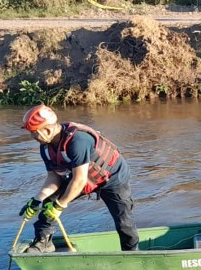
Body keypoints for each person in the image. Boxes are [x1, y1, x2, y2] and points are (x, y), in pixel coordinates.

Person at [18, 104, 140, 253]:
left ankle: (132, 253)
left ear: (48, 129)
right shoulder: (45, 147)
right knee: (48, 202)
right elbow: (54, 177)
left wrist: (60, 205)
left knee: (123, 222)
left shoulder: (78, 141)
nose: (32, 137)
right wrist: (38, 199)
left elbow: (79, 181)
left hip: (113, 177)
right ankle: (44, 243)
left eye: (34, 133)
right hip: (83, 176)